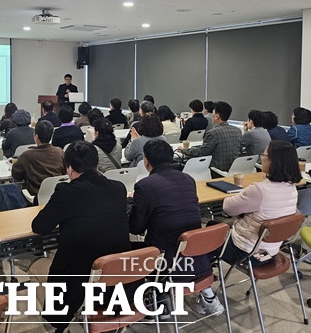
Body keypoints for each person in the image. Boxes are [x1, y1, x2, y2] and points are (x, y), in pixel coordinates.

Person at [31, 141, 133, 330]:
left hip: (78, 278)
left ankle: (55, 323)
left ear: (69, 169)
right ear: (96, 165)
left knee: (34, 268)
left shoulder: (66, 192)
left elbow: (40, 226)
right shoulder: (118, 188)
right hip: (114, 273)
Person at [196, 140, 301, 315]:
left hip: (246, 252)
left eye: (265, 155)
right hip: (271, 250)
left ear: (274, 161)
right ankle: (209, 271)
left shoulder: (259, 190)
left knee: (201, 242)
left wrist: (244, 194)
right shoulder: (292, 189)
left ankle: (207, 295)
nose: (262, 158)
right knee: (214, 226)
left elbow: (228, 207)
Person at [128, 140, 212, 307]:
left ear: (146, 162)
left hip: (165, 259)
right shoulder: (188, 179)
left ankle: (156, 301)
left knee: (125, 249)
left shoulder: (145, 186)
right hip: (196, 255)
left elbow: (136, 228)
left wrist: (129, 202)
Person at [181, 101, 242, 173]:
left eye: (213, 113)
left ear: (217, 116)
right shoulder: (237, 131)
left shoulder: (213, 133)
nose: (211, 115)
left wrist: (184, 150)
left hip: (215, 170)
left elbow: (202, 153)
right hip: (232, 169)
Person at [12, 120, 66, 197]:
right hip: (57, 194)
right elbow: (64, 172)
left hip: (35, 196)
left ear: (36, 137)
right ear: (52, 135)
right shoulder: (60, 152)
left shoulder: (27, 155)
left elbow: (16, 175)